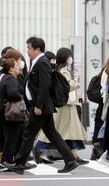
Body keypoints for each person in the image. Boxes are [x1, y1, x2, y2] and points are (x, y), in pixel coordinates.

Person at [4, 37, 79, 174]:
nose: (27, 51)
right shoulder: (37, 62)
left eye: (29, 48)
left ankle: (20, 164)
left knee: (28, 133)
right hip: (41, 106)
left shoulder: (42, 62)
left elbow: (45, 86)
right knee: (52, 134)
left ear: (37, 49)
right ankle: (70, 160)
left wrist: (38, 105)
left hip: (41, 107)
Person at [35, 48, 89, 165]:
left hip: (65, 105)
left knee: (69, 131)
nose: (71, 59)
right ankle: (41, 151)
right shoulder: (64, 71)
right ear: (65, 58)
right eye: (69, 56)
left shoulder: (58, 69)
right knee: (56, 131)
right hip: (65, 106)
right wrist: (76, 78)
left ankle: (73, 154)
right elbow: (68, 86)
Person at [0, 50, 26, 168]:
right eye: (16, 65)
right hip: (11, 113)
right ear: (11, 68)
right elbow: (12, 93)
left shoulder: (5, 78)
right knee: (11, 137)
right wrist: (20, 96)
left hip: (5, 112)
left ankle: (8, 160)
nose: (18, 67)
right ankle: (7, 160)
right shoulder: (11, 79)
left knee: (11, 136)